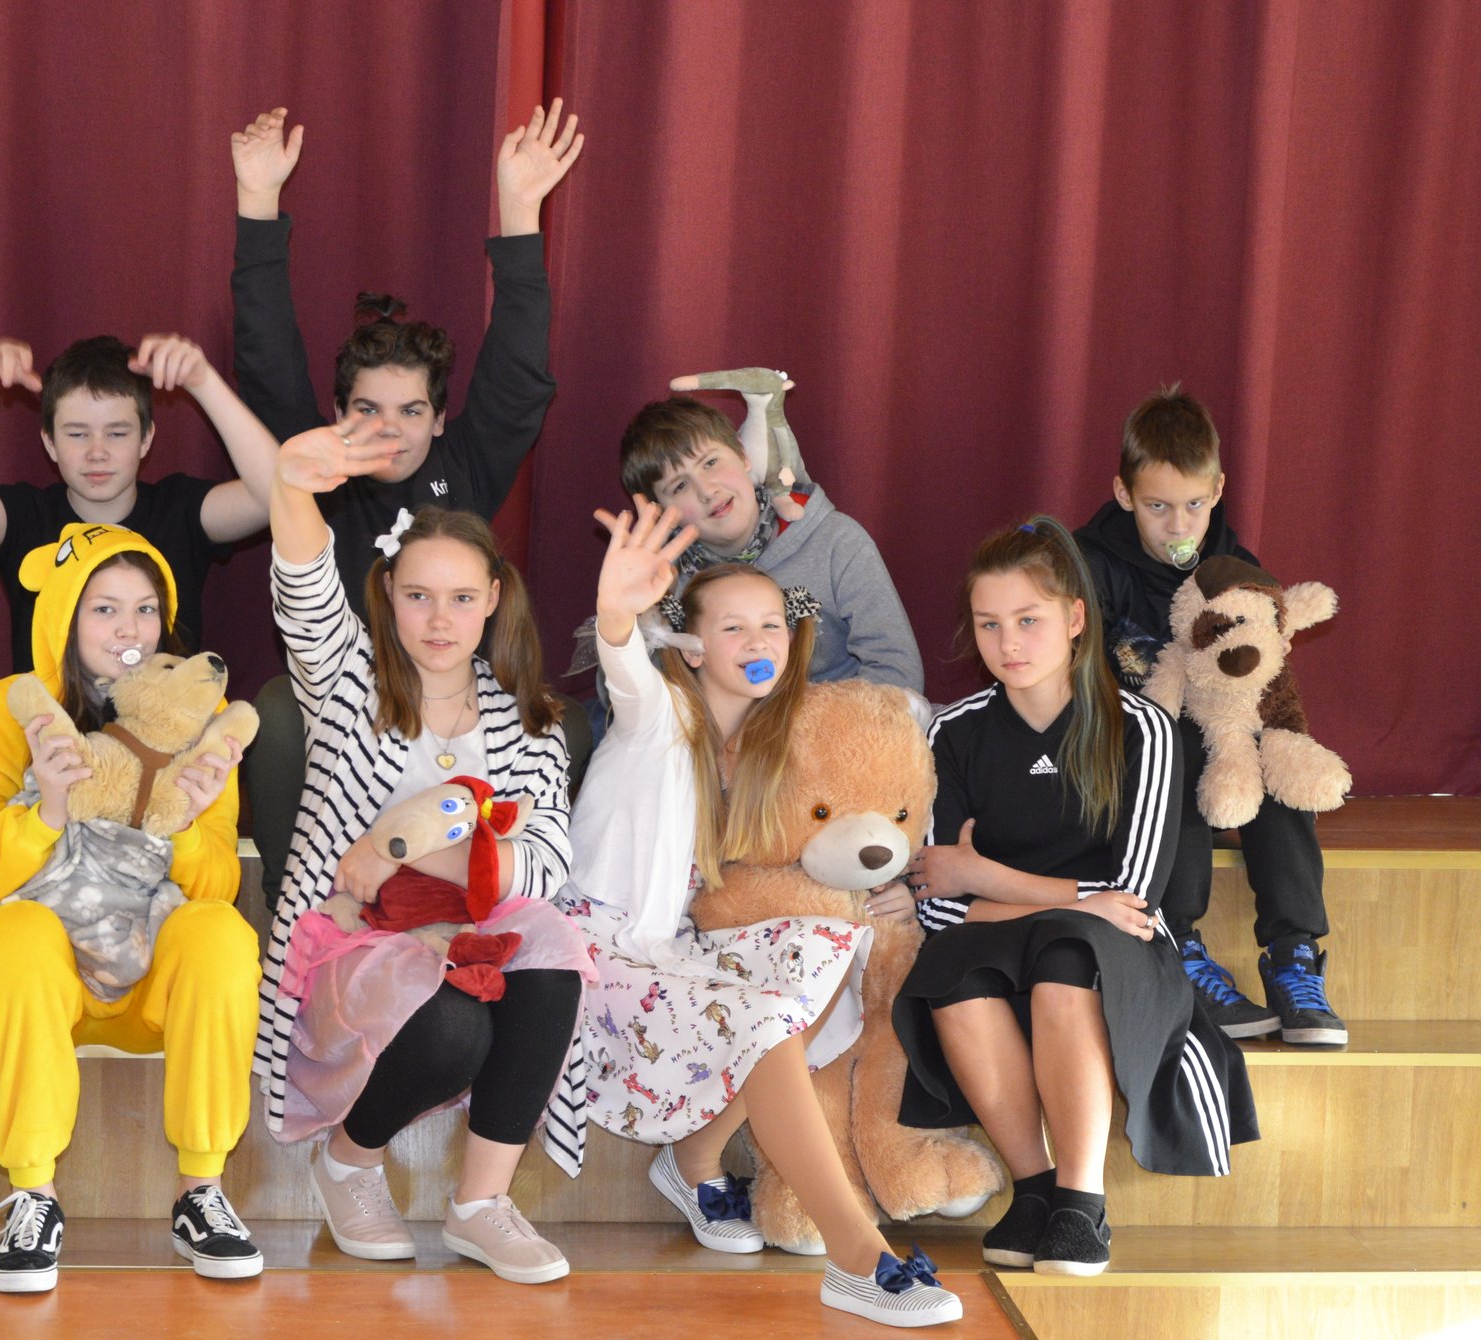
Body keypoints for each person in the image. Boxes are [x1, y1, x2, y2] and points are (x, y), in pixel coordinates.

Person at [564, 498, 962, 1330]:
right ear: (692, 646)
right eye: (734, 628)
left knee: (830, 942)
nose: (758, 642)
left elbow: (829, 837)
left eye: (772, 625)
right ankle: (859, 1257)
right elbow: (625, 669)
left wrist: (895, 884)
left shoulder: (768, 739)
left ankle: (695, 1157)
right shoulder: (660, 715)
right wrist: (617, 611)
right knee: (763, 1015)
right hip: (601, 953)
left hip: (678, 951)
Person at [229, 102, 590, 905]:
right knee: (277, 711)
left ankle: (513, 900)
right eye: (366, 409)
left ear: (440, 416)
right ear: (335, 412)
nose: (388, 430)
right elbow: (265, 356)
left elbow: (518, 372)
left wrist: (520, 212)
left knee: (566, 721)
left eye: (410, 411)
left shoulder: (468, 462)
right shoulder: (319, 469)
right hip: (347, 704)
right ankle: (303, 904)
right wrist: (257, 202)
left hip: (460, 697)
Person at [255, 419, 589, 1285]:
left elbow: (544, 860)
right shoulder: (346, 681)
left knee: (553, 953)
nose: (440, 619)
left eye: (462, 597)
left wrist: (394, 847)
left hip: (470, 934)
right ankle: (349, 1164)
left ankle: (480, 1205)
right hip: (352, 948)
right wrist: (291, 485)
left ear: (494, 600)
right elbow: (304, 593)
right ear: (388, 595)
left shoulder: (529, 720)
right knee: (452, 1025)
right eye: (418, 596)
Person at [895, 517, 1258, 1280]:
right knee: (950, 969)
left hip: (1115, 952)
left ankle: (1081, 1202)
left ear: (1074, 618)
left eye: (1028, 620)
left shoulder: (1144, 729)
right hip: (1010, 937)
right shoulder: (952, 734)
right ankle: (1033, 1190)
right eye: (989, 624)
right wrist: (1070, 899)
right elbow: (937, 906)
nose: (1008, 643)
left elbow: (1135, 901)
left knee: (1067, 956)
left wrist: (984, 878)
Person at [0, 524, 262, 1290]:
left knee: (223, 934)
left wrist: (184, 826)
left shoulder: (196, 716)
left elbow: (216, 889)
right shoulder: (2, 712)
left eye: (146, 610)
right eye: (105, 609)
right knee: (12, 932)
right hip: (48, 986)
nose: (129, 630)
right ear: (65, 619)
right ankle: (33, 1198)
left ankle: (201, 1193)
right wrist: (44, 811)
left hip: (151, 988)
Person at [1075, 386, 1345, 1047]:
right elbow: (1086, 684)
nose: (1178, 526)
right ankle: (1179, 944)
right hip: (1130, 744)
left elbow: (1264, 677)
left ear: (1218, 490)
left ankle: (1293, 952)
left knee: (1273, 751)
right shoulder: (1090, 565)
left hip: (1223, 740)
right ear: (1123, 493)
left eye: (1194, 505)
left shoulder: (1236, 567)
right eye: (1157, 506)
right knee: (1179, 749)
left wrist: (1273, 731)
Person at [0, 333, 277, 667]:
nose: (97, 453)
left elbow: (277, 495)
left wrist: (203, 381)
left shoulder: (179, 511)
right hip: (51, 723)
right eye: (77, 434)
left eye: (117, 433)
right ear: (50, 442)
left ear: (146, 439)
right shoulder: (25, 519)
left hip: (167, 721)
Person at [616, 394, 922, 692]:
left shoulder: (837, 541)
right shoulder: (662, 579)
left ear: (743, 454)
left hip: (839, 717)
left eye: (710, 463)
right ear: (658, 511)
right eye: (680, 486)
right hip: (721, 725)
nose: (707, 491)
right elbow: (624, 702)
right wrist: (634, 615)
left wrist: (806, 723)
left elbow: (899, 673)